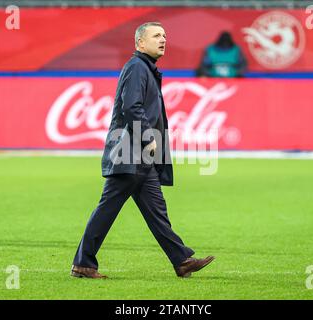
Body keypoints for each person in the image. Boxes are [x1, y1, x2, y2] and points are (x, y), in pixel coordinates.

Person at [71, 22, 215, 279]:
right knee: (108, 208)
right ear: (140, 43)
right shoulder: (137, 67)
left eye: (165, 36)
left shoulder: (146, 69)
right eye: (156, 35)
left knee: (156, 210)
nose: (163, 39)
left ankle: (181, 260)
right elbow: (131, 107)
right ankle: (83, 263)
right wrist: (148, 137)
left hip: (138, 155)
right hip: (130, 152)